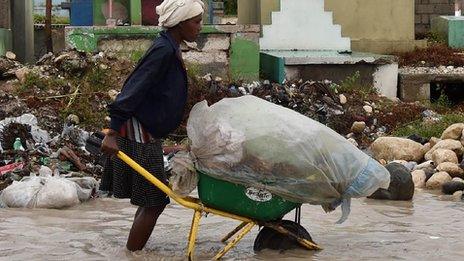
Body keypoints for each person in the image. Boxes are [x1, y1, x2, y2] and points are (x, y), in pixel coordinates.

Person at [100, 0, 204, 251]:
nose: (200, 27)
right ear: (180, 23)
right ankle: (132, 254)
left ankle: (132, 251)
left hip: (148, 132)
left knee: (151, 201)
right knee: (155, 201)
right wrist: (112, 133)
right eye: (197, 21)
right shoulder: (163, 50)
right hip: (138, 132)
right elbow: (133, 88)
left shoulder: (170, 46)